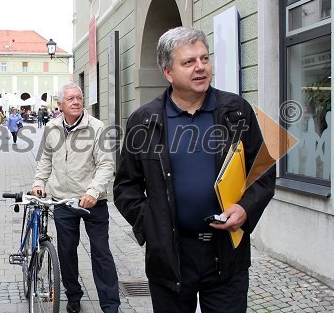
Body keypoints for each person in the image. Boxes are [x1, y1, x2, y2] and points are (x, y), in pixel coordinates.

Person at [113, 27, 276, 313]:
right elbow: (125, 186)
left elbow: (262, 169)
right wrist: (152, 225)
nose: (200, 67)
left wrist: (246, 208)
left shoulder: (236, 111)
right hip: (170, 256)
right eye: (188, 62)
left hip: (226, 253)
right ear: (168, 72)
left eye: (204, 58)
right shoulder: (144, 120)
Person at [31, 82, 120, 313]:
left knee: (101, 253)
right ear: (60, 104)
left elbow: (106, 165)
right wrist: (39, 183)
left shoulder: (97, 127)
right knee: (67, 252)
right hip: (63, 201)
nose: (76, 102)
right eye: (70, 99)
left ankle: (111, 305)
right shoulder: (51, 128)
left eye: (79, 98)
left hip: (93, 202)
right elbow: (45, 160)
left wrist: (93, 192)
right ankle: (73, 296)